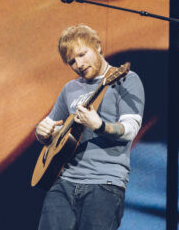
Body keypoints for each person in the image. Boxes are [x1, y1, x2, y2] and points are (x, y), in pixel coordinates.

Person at [35, 24, 145, 230]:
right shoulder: (70, 89)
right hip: (64, 182)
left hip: (105, 185)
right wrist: (42, 132)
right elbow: (52, 128)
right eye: (72, 61)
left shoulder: (126, 79)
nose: (78, 64)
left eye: (82, 54)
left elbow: (130, 129)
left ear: (98, 46)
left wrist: (99, 125)